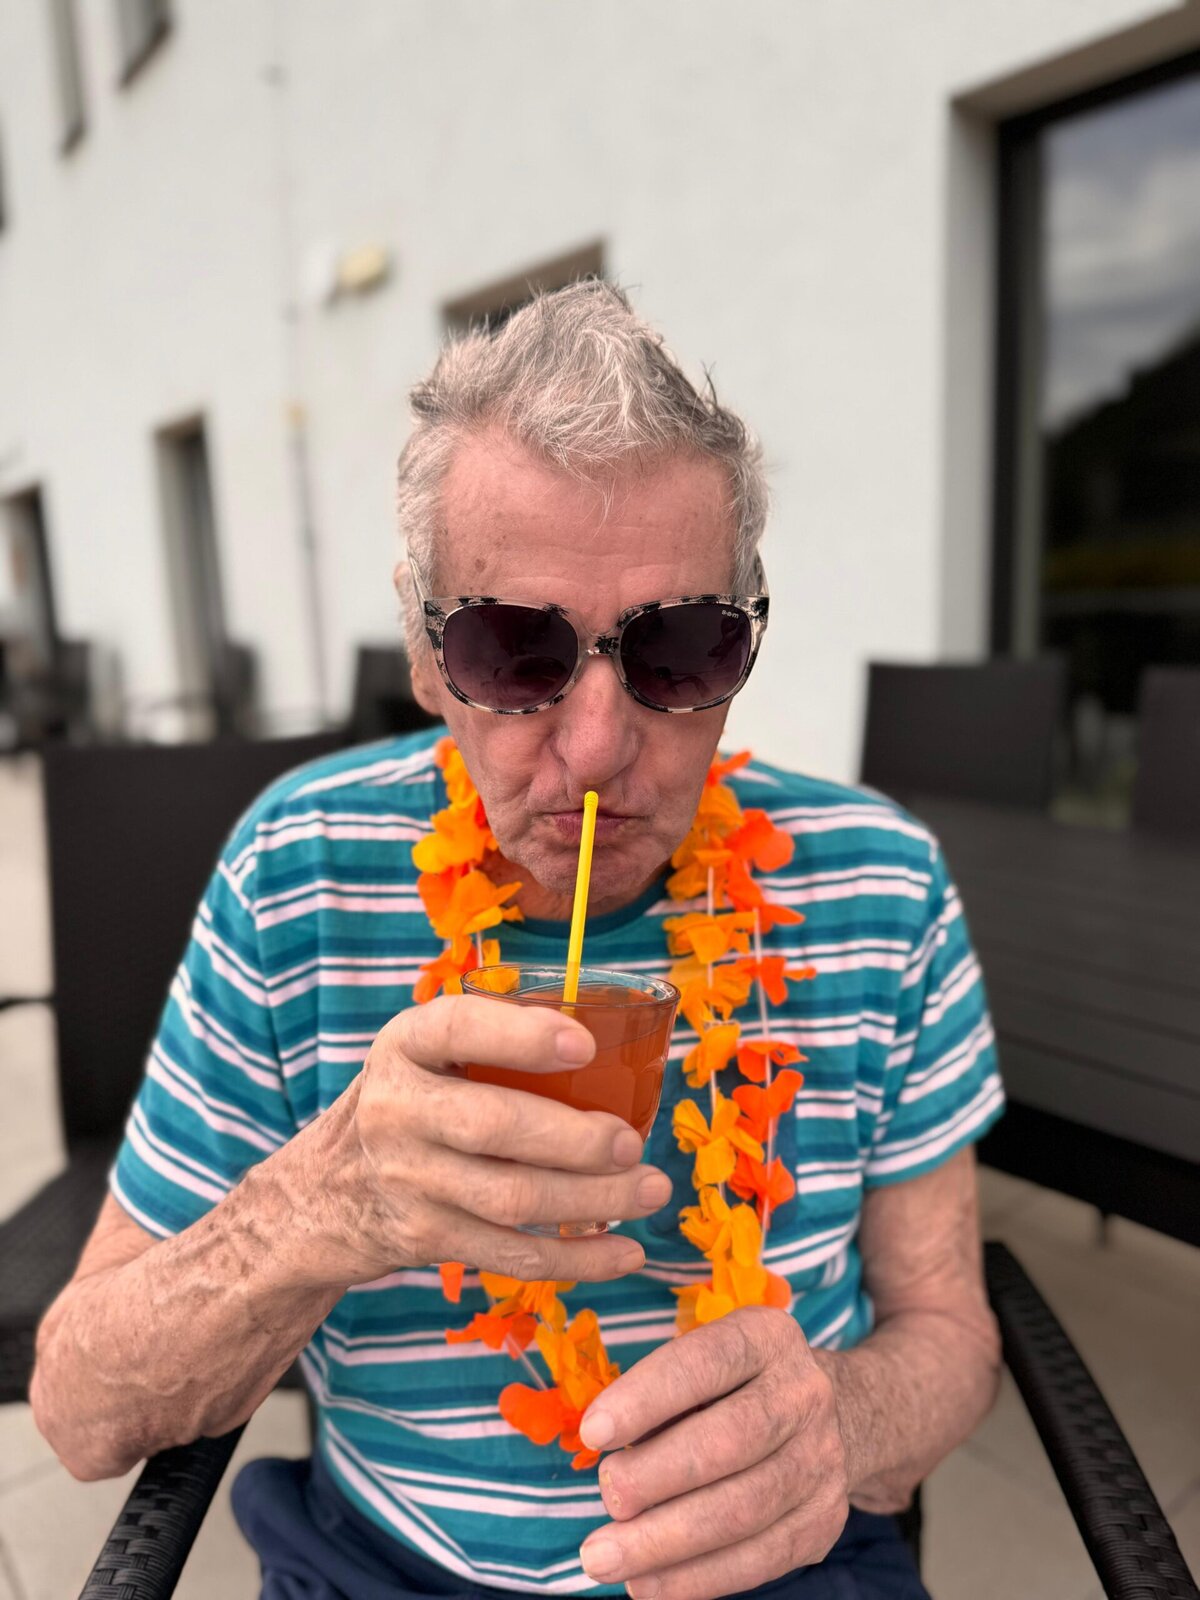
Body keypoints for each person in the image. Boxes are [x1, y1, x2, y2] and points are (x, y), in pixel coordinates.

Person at [31, 283, 1004, 1600]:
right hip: (393, 1568)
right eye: (510, 648)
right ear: (425, 656)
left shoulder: (882, 881)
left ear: (746, 645)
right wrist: (326, 1205)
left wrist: (846, 1423)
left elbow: (950, 1333)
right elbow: (80, 1410)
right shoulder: (296, 872)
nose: (596, 749)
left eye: (679, 646)